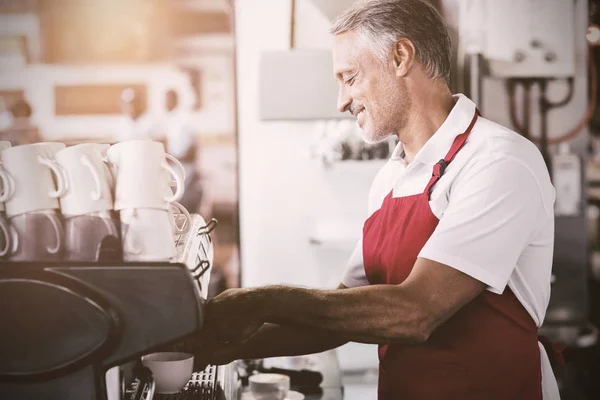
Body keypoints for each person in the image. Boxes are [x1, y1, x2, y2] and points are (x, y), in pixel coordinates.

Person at [181, 1, 560, 398]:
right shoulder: (390, 179)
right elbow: (341, 316)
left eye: (349, 77)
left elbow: (416, 311)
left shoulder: (498, 161)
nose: (341, 101)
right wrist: (215, 349)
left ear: (400, 57)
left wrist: (263, 301)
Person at [163, 89, 203, 213]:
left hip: (187, 171)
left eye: (168, 100)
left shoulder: (185, 119)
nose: (165, 103)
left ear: (175, 100)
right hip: (174, 171)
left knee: (187, 209)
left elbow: (193, 149)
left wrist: (173, 158)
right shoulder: (169, 120)